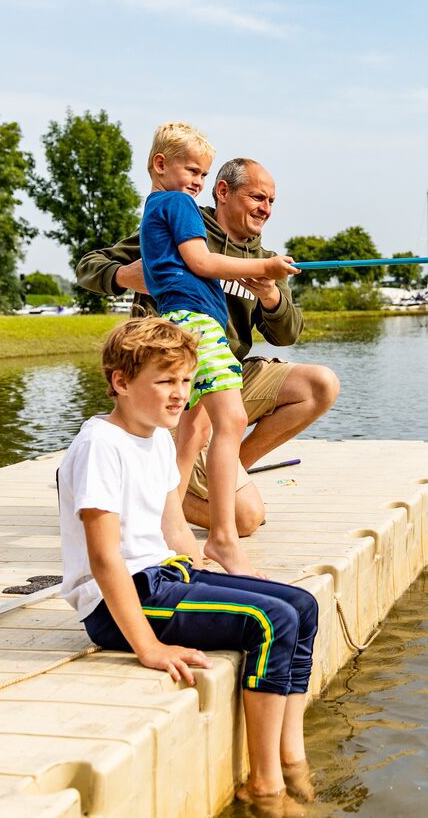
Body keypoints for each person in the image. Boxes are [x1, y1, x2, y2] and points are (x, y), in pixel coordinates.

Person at [59, 317, 317, 811]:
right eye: (165, 382)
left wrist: (222, 577)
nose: (180, 395)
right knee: (271, 620)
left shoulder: (157, 436)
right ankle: (264, 784)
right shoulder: (99, 445)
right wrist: (149, 647)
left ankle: (291, 755)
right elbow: (104, 556)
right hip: (120, 604)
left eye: (185, 381)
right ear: (120, 382)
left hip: (164, 578)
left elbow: (173, 527)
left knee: (301, 605)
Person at [77, 157, 339, 538]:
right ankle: (154, 495)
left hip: (226, 376)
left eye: (271, 201)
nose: (265, 208)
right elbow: (89, 266)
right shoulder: (179, 223)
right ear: (223, 192)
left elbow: (288, 335)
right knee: (246, 519)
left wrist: (270, 297)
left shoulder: (266, 261)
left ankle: (229, 468)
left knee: (321, 384)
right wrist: (127, 275)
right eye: (257, 197)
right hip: (173, 386)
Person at [138, 122, 298, 576]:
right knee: (230, 421)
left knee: (192, 434)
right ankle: (224, 541)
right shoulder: (180, 205)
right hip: (197, 321)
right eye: (192, 170)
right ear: (160, 164)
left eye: (203, 175)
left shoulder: (156, 205)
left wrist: (263, 285)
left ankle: (170, 531)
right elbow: (202, 261)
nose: (198, 183)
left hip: (178, 320)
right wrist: (264, 264)